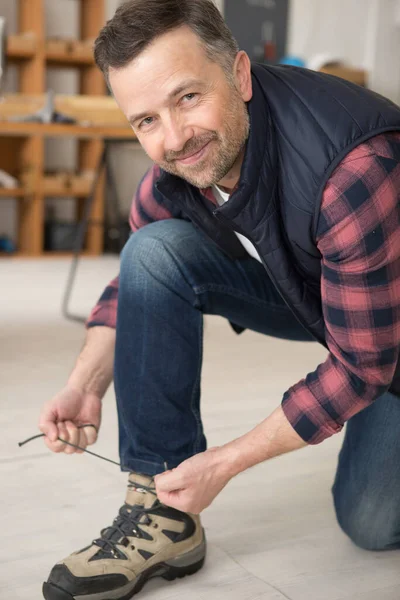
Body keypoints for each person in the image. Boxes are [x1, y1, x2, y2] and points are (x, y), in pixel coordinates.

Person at [39, 1, 400, 599]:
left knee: (369, 519)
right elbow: (135, 281)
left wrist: (226, 462)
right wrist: (86, 382)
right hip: (317, 292)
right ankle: (163, 519)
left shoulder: (352, 169)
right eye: (146, 120)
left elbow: (365, 364)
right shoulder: (181, 166)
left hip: (386, 329)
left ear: (238, 74)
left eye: (186, 98)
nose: (175, 139)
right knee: (153, 252)